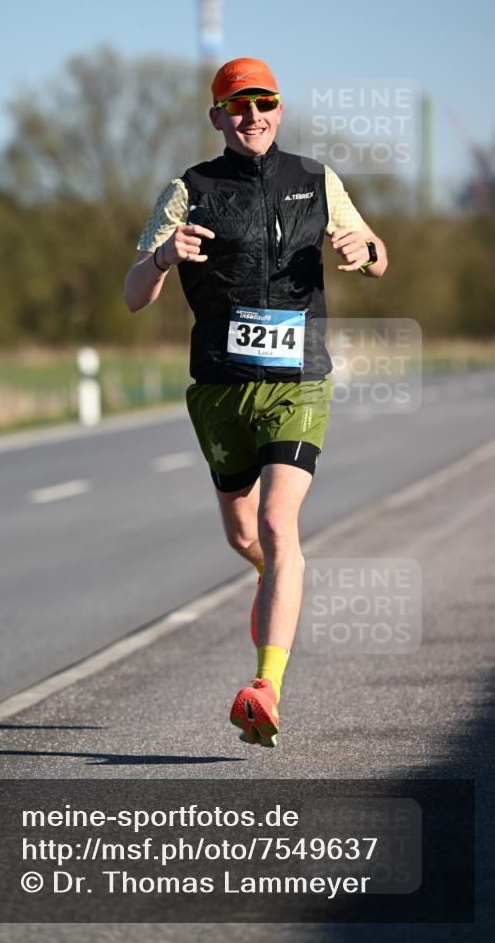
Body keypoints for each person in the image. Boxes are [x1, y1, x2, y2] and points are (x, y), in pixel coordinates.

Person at [123, 57, 387, 747]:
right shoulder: (188, 190)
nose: (253, 116)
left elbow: (375, 253)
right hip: (219, 386)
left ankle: (265, 687)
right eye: (238, 106)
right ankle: (280, 581)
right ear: (216, 117)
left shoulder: (316, 179)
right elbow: (132, 294)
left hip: (298, 379)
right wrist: (163, 257)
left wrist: (363, 248)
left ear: (279, 109)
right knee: (245, 536)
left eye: (264, 103)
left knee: (276, 522)